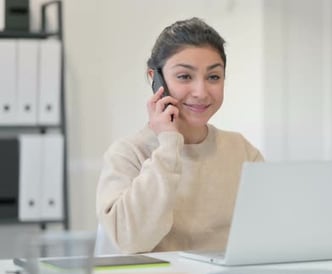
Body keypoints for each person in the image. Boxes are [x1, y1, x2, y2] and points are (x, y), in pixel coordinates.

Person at [96, 17, 264, 254]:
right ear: (155, 79)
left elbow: (267, 236)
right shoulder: (127, 154)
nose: (201, 92)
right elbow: (131, 240)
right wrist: (168, 144)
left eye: (213, 77)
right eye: (185, 76)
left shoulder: (242, 151)